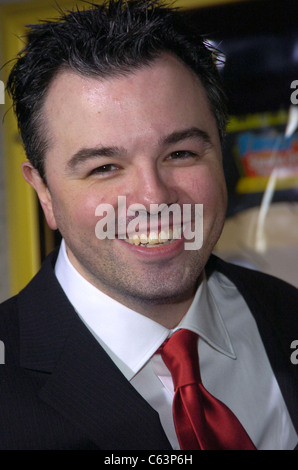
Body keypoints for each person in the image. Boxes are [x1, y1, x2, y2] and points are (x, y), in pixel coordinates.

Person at [1, 0, 297, 450]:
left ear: (222, 154)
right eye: (104, 167)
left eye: (180, 154)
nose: (153, 198)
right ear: (43, 191)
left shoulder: (286, 313)